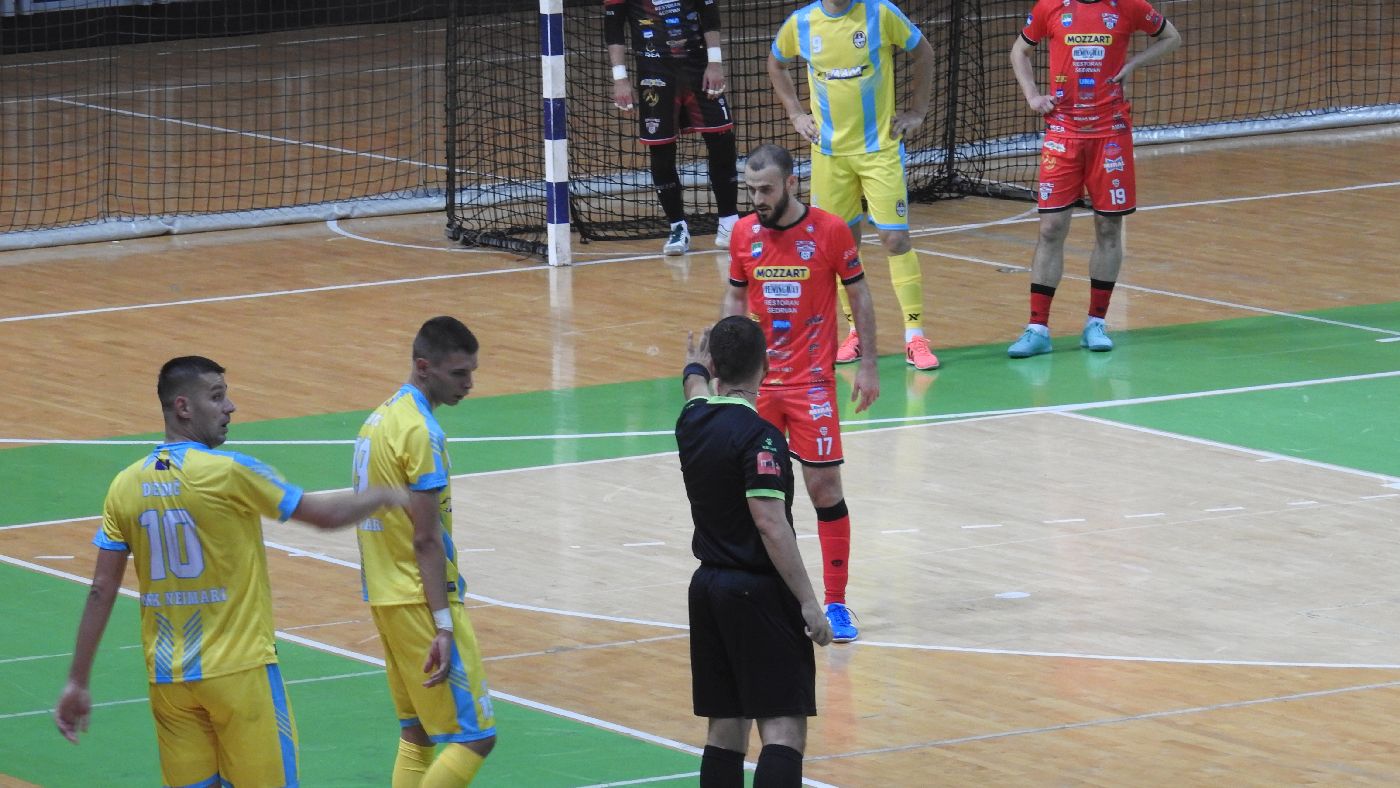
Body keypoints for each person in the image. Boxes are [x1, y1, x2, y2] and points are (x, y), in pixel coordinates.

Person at [54, 355, 409, 787]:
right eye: (217, 396)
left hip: (170, 682)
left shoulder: (124, 486)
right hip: (239, 672)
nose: (230, 407)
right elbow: (324, 515)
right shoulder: (230, 471)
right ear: (183, 407)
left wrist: (77, 680)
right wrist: (386, 494)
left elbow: (101, 588)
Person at [721, 143, 879, 643]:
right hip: (758, 386)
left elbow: (859, 294)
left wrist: (868, 365)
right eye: (751, 190)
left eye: (766, 189)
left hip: (813, 384)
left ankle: (836, 602)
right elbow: (734, 297)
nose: (758, 199)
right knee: (759, 495)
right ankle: (766, 594)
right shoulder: (744, 233)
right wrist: (726, 366)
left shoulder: (830, 231)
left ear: (791, 183)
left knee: (824, 489)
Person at [676, 316, 833, 787]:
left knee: (726, 728)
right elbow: (770, 524)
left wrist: (693, 365)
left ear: (714, 367)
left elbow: (694, 388)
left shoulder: (692, 420)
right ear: (766, 366)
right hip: (757, 594)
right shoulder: (761, 437)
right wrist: (809, 601)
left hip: (708, 590)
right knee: (783, 728)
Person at [354, 316, 497, 787]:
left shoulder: (378, 420)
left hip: (385, 595)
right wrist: (442, 623)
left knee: (416, 734)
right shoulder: (420, 431)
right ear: (423, 367)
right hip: (420, 598)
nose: (468, 384)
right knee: (476, 737)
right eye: (458, 374)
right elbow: (426, 538)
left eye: (471, 372)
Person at [768, 0, 941, 371]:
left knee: (895, 239)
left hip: (880, 151)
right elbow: (776, 62)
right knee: (841, 246)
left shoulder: (880, 13)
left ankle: (915, 336)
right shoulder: (801, 23)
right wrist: (796, 113)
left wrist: (918, 111)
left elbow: (923, 52)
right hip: (830, 156)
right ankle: (855, 334)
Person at [1005, 0, 1181, 357]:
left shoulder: (1128, 6)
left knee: (1108, 228)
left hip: (1110, 134)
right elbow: (1019, 51)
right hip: (1062, 135)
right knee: (1051, 228)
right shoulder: (1051, 7)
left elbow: (1171, 37)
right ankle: (1037, 328)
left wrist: (1132, 65)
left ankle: (1096, 323)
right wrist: (1032, 95)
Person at [605, 0, 740, 255]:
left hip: (698, 66)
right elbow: (614, 27)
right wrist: (620, 79)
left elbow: (709, 14)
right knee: (661, 150)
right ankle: (677, 227)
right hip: (654, 73)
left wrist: (715, 63)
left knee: (722, 139)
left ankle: (729, 223)